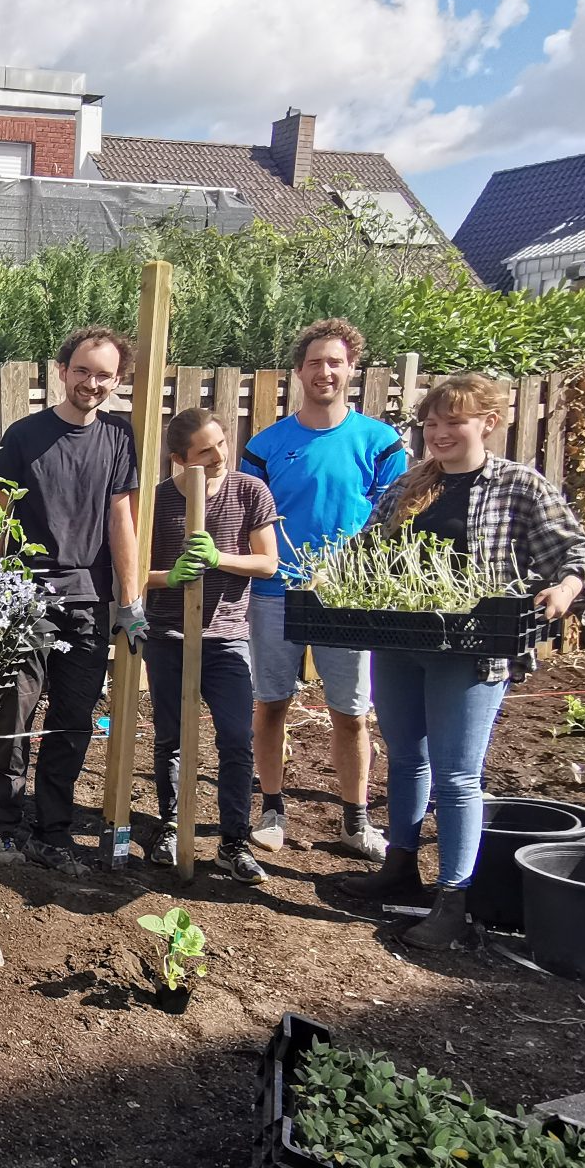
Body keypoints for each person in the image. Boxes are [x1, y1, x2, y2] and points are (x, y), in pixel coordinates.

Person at [357, 373, 585, 949]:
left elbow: (576, 550)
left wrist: (564, 590)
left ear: (487, 422)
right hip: (399, 643)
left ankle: (454, 898)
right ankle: (400, 865)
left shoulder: (519, 486)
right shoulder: (411, 485)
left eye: (452, 422)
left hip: (473, 651)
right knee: (406, 756)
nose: (438, 433)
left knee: (458, 773)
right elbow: (368, 548)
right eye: (431, 423)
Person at [0, 325, 148, 878]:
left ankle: (53, 829)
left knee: (73, 719)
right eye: (83, 370)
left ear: (116, 380)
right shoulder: (24, 436)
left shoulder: (120, 439)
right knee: (17, 709)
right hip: (25, 595)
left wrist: (130, 600)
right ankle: (2, 823)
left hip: (89, 600)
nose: (92, 382)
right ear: (62, 371)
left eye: (104, 374)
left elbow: (121, 519)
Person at [242, 319, 405, 860]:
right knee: (270, 705)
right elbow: (248, 518)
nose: (325, 371)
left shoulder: (380, 443)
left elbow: (393, 518)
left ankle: (355, 821)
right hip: (275, 595)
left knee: (351, 712)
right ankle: (271, 810)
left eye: (335, 362)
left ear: (352, 369)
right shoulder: (267, 446)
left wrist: (351, 573)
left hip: (344, 599)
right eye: (315, 362)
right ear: (299, 371)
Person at [144, 408, 279, 884]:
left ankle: (233, 841)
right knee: (172, 738)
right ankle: (172, 827)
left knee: (236, 739)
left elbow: (267, 564)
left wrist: (220, 558)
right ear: (181, 459)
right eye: (205, 450)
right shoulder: (157, 501)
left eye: (222, 442)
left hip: (226, 636)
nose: (220, 454)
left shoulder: (249, 491)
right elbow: (135, 572)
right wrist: (169, 577)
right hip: (168, 635)